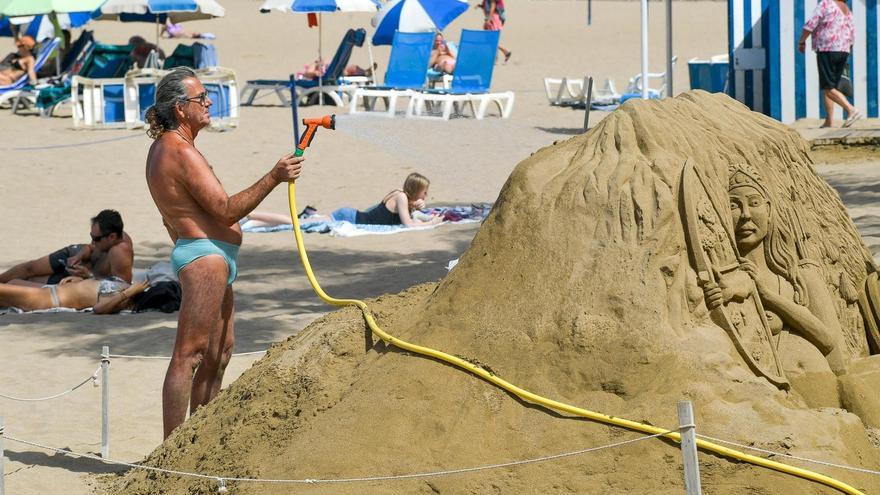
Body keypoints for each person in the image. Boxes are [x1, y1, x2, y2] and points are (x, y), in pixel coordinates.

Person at [144, 66, 304, 438]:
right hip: (205, 257)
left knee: (220, 352)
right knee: (191, 353)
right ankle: (172, 450)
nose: (209, 102)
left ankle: (199, 440)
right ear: (181, 108)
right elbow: (226, 209)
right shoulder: (177, 150)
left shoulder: (174, 148)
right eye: (202, 98)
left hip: (209, 253)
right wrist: (274, 176)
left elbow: (172, 217)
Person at [702, 164, 848, 375]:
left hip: (820, 379)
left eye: (754, 203)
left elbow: (828, 342)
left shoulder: (801, 276)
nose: (745, 215)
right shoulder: (728, 281)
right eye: (733, 206)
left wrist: (766, 295)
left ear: (769, 210)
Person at [0, 210, 134, 286]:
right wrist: (78, 256)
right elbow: (90, 247)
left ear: (111, 237)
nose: (93, 241)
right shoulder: (104, 239)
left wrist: (88, 276)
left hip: (82, 278)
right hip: (75, 258)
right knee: (30, 268)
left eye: (96, 239)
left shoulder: (120, 252)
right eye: (91, 236)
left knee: (29, 281)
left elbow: (121, 286)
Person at [798, 0, 861, 128]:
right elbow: (852, 32)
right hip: (843, 50)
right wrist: (849, 50)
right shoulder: (846, 9)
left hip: (827, 49)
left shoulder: (826, 4)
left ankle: (851, 110)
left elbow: (810, 25)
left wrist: (801, 41)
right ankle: (829, 121)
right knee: (832, 86)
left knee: (828, 87)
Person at [327, 173, 443, 227]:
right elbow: (408, 224)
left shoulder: (401, 194)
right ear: (416, 190)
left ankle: (309, 214)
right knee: (313, 221)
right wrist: (431, 223)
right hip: (350, 218)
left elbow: (409, 215)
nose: (426, 195)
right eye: (424, 192)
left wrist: (415, 207)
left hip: (350, 215)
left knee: (317, 219)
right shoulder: (401, 197)